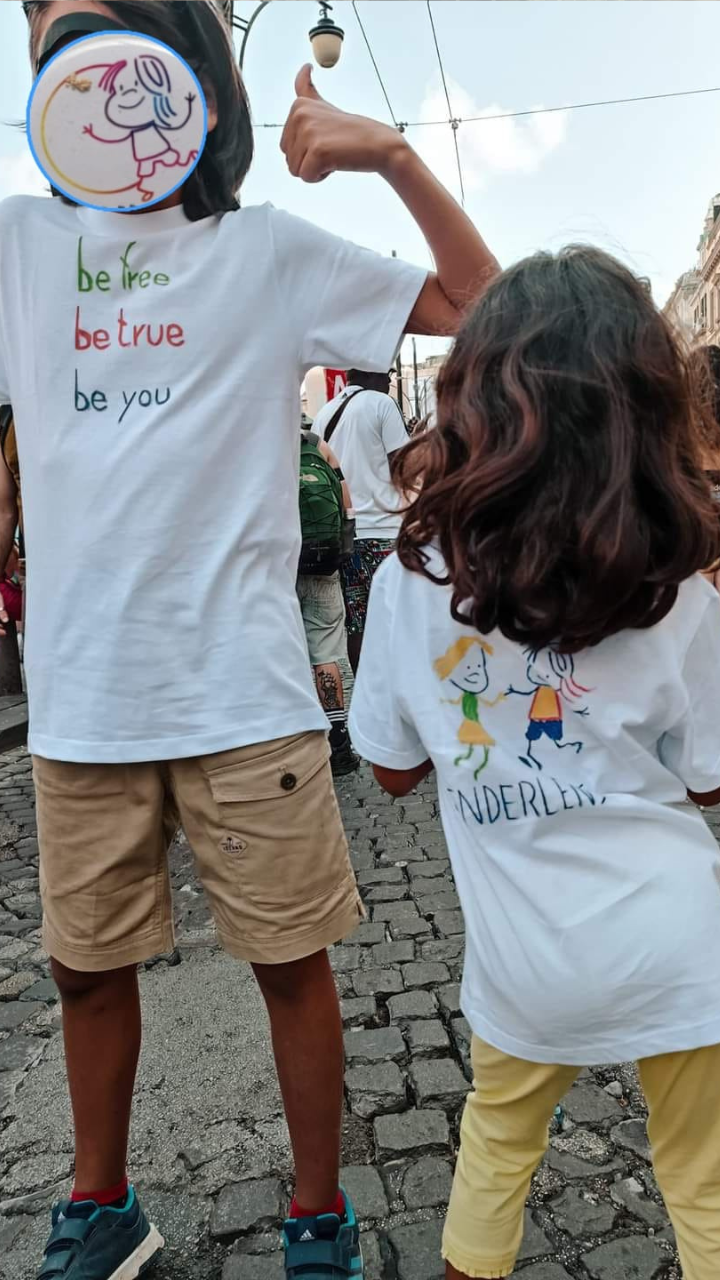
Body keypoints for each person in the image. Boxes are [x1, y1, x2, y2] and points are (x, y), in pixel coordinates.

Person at [1, 4, 498, 1278]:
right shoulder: (20, 245)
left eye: (102, 24)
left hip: (247, 696)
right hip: (82, 704)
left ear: (188, 67)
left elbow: (482, 307)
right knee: (81, 972)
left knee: (292, 966)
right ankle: (100, 1202)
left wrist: (388, 154)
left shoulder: (261, 251)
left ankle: (318, 1219)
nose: (78, 56)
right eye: (49, 30)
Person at [350, 246, 720, 1280]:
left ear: (467, 400)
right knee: (706, 1183)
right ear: (646, 412)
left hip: (527, 967)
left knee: (494, 1153)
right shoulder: (682, 591)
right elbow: (707, 777)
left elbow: (387, 769)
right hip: (684, 946)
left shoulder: (412, 582)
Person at [312, 369, 409, 673]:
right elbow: (405, 469)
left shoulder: (323, 414)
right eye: (388, 374)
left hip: (347, 536)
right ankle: (398, 694)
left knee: (356, 623)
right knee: (398, 620)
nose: (391, 381)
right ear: (371, 372)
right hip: (385, 533)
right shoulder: (382, 404)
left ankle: (366, 698)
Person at [297, 419, 359, 776]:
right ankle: (339, 740)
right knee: (325, 652)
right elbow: (345, 499)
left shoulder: (256, 445)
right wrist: (342, 550)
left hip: (278, 565)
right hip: (323, 560)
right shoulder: (316, 445)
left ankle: (296, 741)